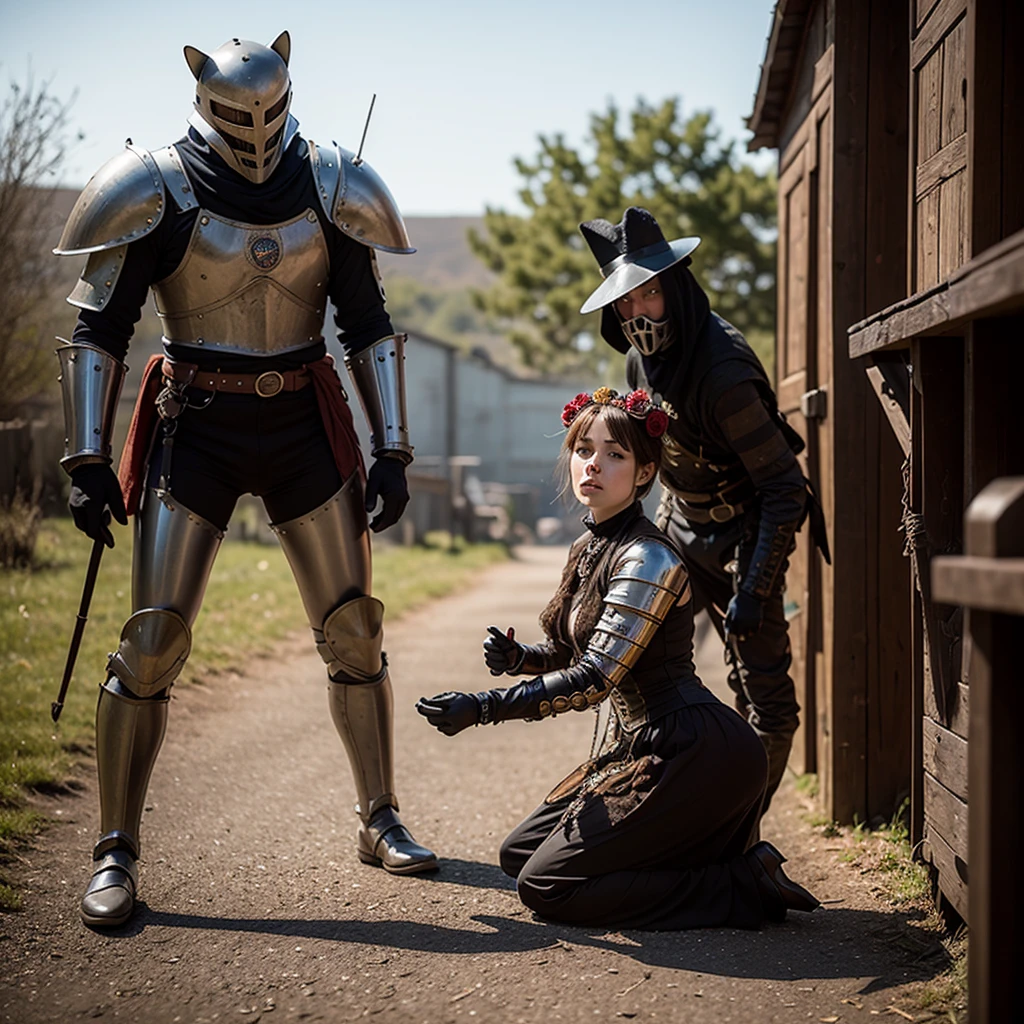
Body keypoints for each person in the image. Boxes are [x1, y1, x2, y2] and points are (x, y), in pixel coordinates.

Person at [54, 32, 437, 929]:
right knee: (151, 641)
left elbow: (368, 321)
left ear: (290, 89)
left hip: (304, 420)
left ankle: (379, 818)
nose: (255, 129)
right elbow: (100, 330)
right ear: (202, 97)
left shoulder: (332, 180)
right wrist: (83, 460)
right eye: (236, 112)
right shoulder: (154, 185)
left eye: (268, 108)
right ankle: (114, 850)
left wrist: (393, 447)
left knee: (354, 630)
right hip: (198, 424)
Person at [416, 390, 818, 929]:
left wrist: (484, 707)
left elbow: (595, 677)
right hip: (643, 745)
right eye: (584, 450)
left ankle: (741, 883)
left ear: (646, 472)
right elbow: (572, 650)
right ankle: (710, 861)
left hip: (697, 752)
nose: (594, 465)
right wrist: (520, 658)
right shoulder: (589, 547)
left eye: (615, 455)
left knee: (546, 886)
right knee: (519, 857)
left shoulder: (647, 555)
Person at [577, 207, 829, 822]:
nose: (637, 313)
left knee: (765, 696)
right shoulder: (640, 363)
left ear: (677, 286)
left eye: (650, 293)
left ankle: (736, 832)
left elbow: (783, 487)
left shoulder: (723, 373)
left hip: (748, 531)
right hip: (681, 525)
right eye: (625, 302)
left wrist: (755, 585)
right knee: (639, 658)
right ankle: (649, 802)